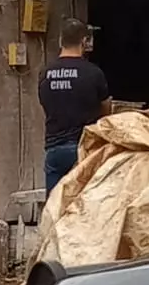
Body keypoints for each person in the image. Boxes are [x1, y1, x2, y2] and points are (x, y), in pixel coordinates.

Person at [39, 18, 110, 196]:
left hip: (55, 150)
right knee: (84, 209)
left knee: (54, 209)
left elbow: (45, 104)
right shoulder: (94, 73)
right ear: (84, 41)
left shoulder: (45, 73)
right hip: (84, 150)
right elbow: (106, 111)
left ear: (61, 41)